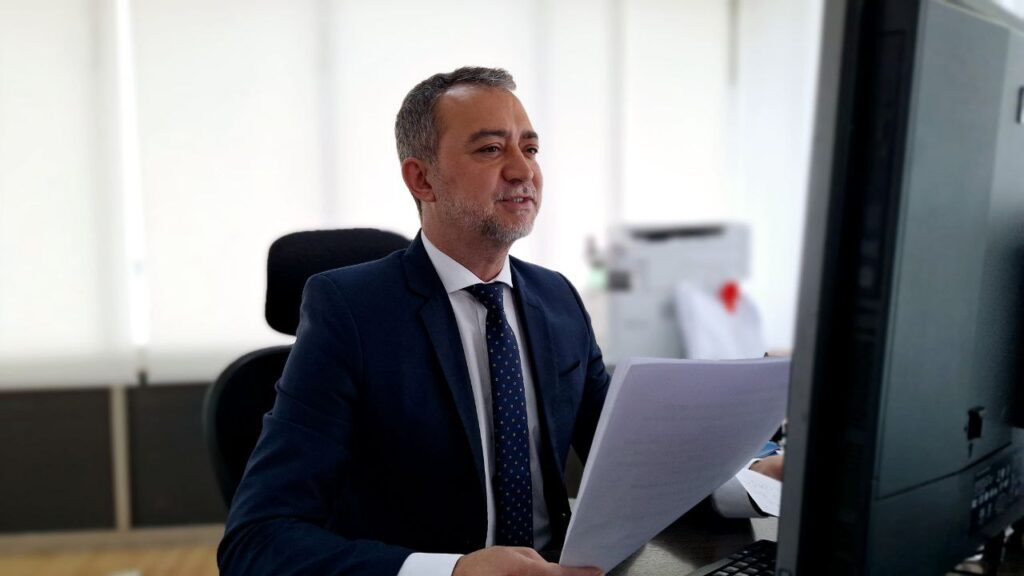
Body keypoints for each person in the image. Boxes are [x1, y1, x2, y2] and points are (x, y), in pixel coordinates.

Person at [218, 66, 780, 576]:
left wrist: (756, 481)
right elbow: (257, 540)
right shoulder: (351, 311)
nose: (523, 170)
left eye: (530, 148)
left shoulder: (557, 299)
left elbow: (638, 465)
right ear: (422, 179)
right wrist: (453, 572)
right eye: (490, 149)